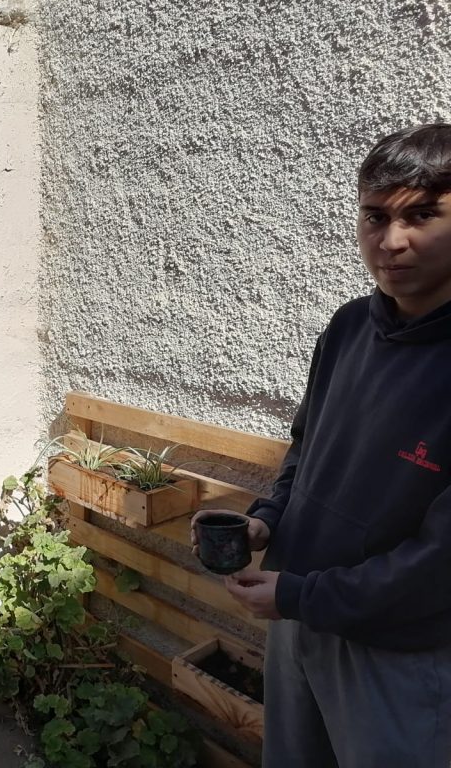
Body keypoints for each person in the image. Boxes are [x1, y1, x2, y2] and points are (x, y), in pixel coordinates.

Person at [192, 123, 451, 767]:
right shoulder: (347, 327)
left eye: (422, 216)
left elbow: (442, 558)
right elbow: (306, 449)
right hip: (299, 620)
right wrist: (266, 521)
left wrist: (299, 596)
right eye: (374, 216)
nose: (391, 242)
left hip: (399, 650)